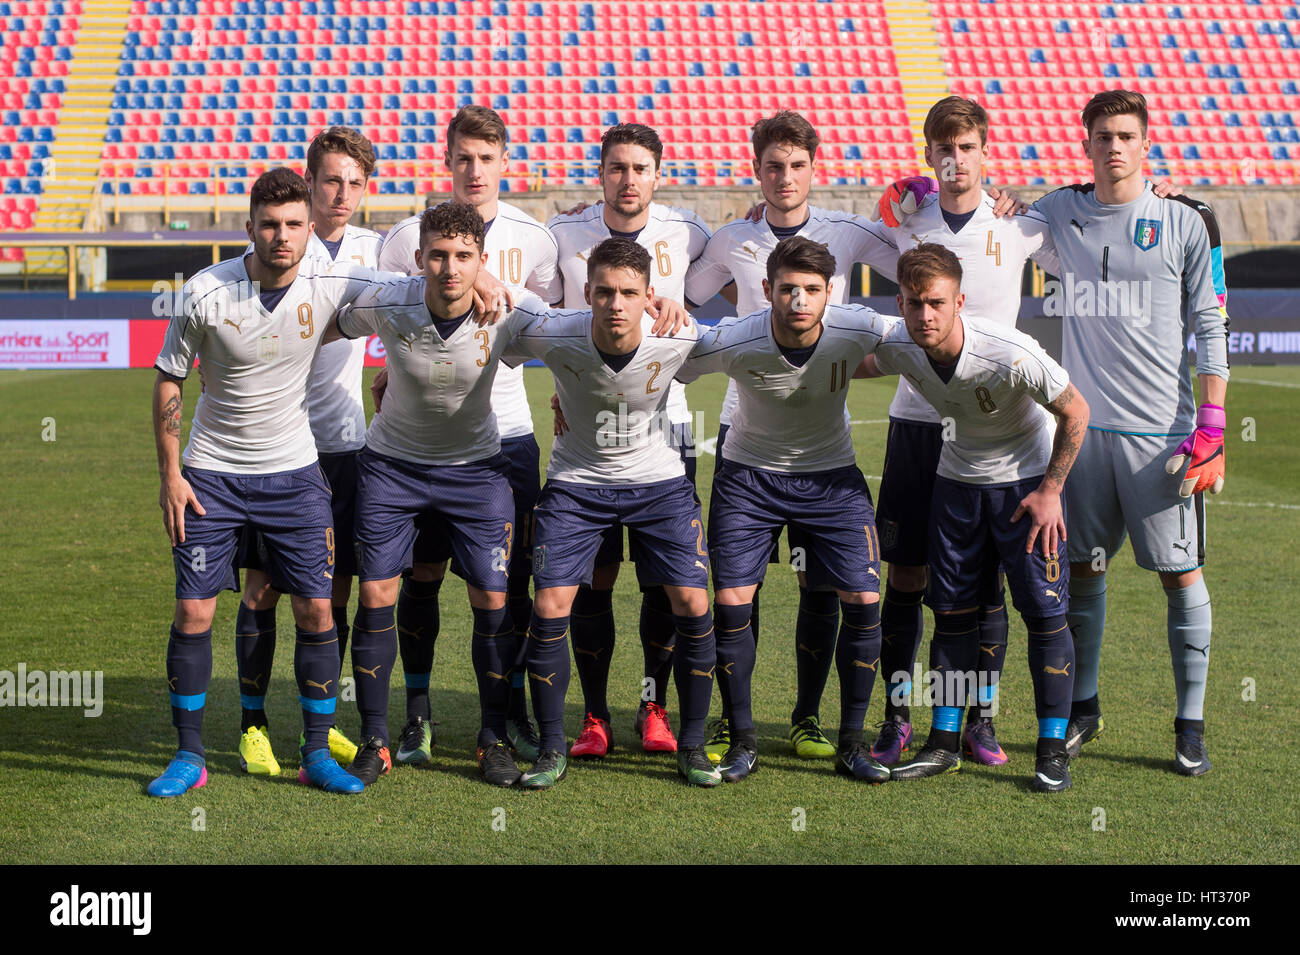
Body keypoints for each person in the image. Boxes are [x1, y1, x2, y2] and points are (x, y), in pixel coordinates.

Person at [148, 167, 386, 796]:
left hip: (295, 475)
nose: (282, 236)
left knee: (314, 607)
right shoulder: (204, 291)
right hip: (212, 477)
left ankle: (315, 754)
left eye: (294, 225)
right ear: (248, 227)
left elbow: (420, 288)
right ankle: (190, 757)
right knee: (194, 609)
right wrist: (171, 474)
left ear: (312, 228)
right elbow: (170, 377)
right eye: (269, 225)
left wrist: (487, 282)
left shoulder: (331, 285)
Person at [685, 109, 903, 763]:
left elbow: (920, 263)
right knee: (736, 589)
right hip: (745, 428)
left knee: (823, 586)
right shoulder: (732, 239)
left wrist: (928, 203)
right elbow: (683, 298)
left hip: (820, 437)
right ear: (756, 170)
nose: (784, 177)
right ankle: (734, 720)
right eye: (773, 166)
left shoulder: (846, 230)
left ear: (815, 168)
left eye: (797, 165)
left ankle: (810, 717)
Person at [1030, 90, 1229, 775]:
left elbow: (1210, 323)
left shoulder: (1186, 220)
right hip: (1083, 435)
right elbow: (994, 227)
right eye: (1102, 136)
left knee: (1181, 575)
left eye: (1125, 135)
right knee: (1082, 570)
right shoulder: (1060, 208)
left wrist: (1213, 422)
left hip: (1163, 436)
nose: (1113, 146)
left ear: (1146, 144)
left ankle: (1190, 721)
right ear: (1085, 144)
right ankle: (1083, 707)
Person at [323, 202, 553, 787]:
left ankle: (492, 736)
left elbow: (580, 342)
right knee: (378, 593)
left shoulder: (510, 309)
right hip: (391, 469)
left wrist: (659, 310)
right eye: (439, 256)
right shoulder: (389, 299)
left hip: (477, 473)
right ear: (420, 256)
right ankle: (377, 736)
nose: (450, 268)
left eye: (464, 257)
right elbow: (326, 324)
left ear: (482, 260)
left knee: (493, 602)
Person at [858, 243, 1090, 791]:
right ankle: (942, 742)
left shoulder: (1008, 351)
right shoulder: (901, 345)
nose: (925, 315)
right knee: (954, 615)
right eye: (914, 304)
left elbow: (1076, 409)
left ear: (959, 300)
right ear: (901, 303)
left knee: (1042, 613)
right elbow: (847, 357)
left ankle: (1052, 749)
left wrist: (1051, 489)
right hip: (956, 487)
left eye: (936, 303)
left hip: (1027, 491)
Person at [374, 105, 561, 767]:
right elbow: (388, 307)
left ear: (505, 163)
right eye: (463, 158)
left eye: (487, 158)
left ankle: (503, 719)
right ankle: (416, 716)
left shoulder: (537, 239)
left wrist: (492, 277)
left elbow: (551, 322)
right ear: (447, 161)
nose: (475, 170)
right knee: (420, 576)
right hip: (421, 443)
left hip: (506, 436)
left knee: (507, 587)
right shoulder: (404, 238)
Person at [502, 237, 716, 789]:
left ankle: (690, 745)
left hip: (658, 484)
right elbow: (494, 292)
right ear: (587, 294)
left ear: (650, 297)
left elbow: (752, 344)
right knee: (551, 604)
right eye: (603, 292)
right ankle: (555, 746)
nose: (615, 304)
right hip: (577, 486)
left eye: (629, 293)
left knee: (691, 600)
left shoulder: (678, 337)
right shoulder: (553, 332)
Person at [546, 123, 712, 759]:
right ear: (602, 174)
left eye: (640, 168)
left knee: (661, 584)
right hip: (587, 430)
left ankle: (654, 705)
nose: (628, 179)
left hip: (664, 426)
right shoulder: (564, 234)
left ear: (656, 174)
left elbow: (715, 284)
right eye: (617, 167)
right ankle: (592, 716)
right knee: (593, 580)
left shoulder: (689, 231)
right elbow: (543, 318)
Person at [233, 126, 381, 779]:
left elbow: (425, 300)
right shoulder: (274, 247)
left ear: (366, 187)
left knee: (332, 592)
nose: (341, 192)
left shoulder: (377, 252)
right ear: (311, 180)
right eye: (330, 179)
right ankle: (252, 725)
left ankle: (320, 726)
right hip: (277, 451)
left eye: (354, 181)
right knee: (263, 587)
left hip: (346, 447)